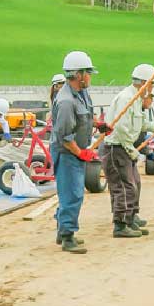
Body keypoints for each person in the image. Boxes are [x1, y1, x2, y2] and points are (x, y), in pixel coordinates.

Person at [100, 64, 154, 238]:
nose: (153, 88)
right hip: (117, 148)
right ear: (144, 83)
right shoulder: (126, 98)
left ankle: (130, 217)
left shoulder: (136, 99)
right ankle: (121, 224)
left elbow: (142, 123)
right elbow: (121, 129)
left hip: (124, 148)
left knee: (135, 183)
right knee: (124, 187)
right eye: (152, 84)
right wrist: (131, 150)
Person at [50, 51, 98, 254]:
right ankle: (68, 235)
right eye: (88, 73)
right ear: (78, 75)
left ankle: (63, 231)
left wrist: (99, 125)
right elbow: (65, 137)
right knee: (72, 194)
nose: (90, 77)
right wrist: (81, 153)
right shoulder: (66, 102)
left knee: (72, 192)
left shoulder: (81, 94)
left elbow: (85, 118)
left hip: (75, 151)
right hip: (68, 152)